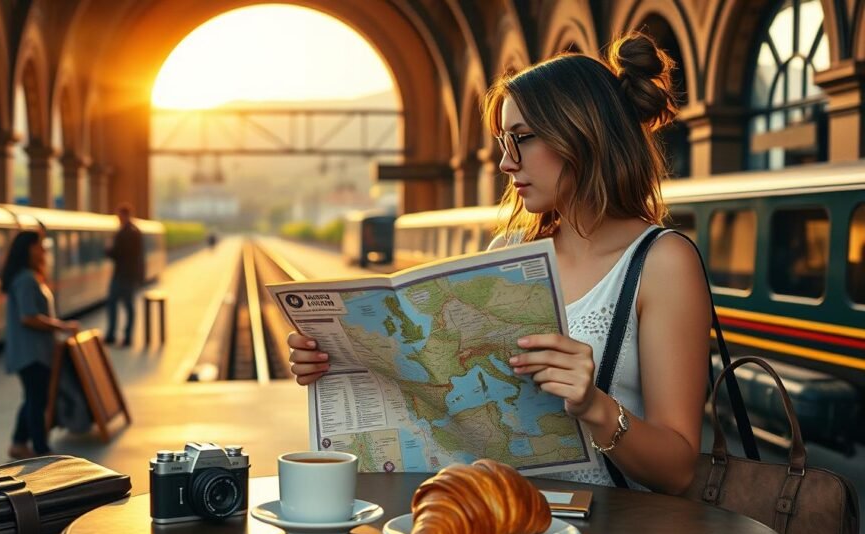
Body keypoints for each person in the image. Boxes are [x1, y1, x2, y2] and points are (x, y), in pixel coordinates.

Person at [286, 32, 710, 495]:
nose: (507, 164)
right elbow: (448, 401)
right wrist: (344, 364)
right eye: (503, 142)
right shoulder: (509, 253)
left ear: (584, 135)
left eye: (522, 139)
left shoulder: (662, 262)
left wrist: (595, 406)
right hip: (503, 526)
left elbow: (679, 468)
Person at [1, 229, 79, 459]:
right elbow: (29, 317)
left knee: (33, 398)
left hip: (34, 350)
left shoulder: (28, 276)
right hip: (30, 352)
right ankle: (40, 449)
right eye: (39, 245)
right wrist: (62, 326)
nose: (44, 249)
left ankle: (19, 443)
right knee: (37, 399)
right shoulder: (26, 279)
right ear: (29, 249)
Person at [105, 203, 146, 346]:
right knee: (129, 307)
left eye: (119, 216)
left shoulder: (122, 233)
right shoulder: (136, 231)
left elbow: (116, 254)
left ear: (124, 215)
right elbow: (140, 256)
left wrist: (108, 248)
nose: (118, 219)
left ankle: (112, 335)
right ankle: (127, 337)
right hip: (130, 276)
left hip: (120, 276)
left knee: (113, 305)